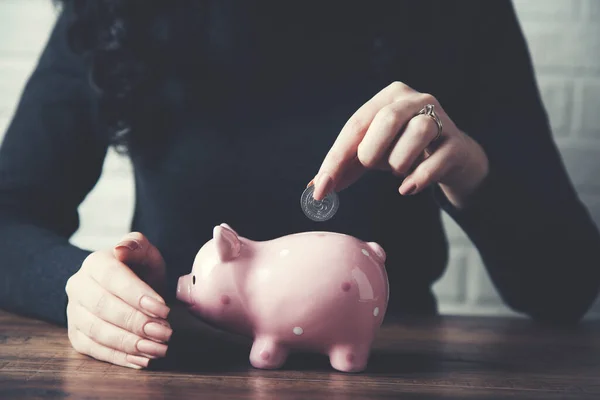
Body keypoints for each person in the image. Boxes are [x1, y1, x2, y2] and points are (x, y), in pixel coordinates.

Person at [1, 0, 599, 370]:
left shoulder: (454, 10)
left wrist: (469, 170)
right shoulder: (116, 9)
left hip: (397, 374)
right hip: (174, 366)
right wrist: (72, 283)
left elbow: (567, 285)